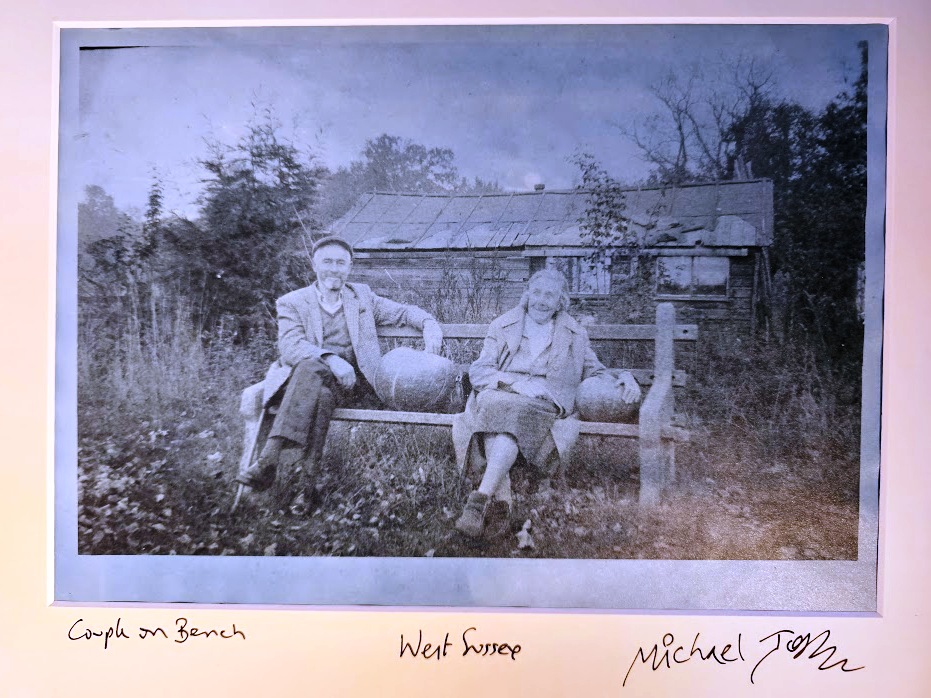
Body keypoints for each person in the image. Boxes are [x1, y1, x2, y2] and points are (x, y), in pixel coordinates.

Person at [236, 235, 443, 505]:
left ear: (349, 267)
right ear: (314, 265)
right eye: (327, 262)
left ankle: (268, 460)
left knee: (314, 376)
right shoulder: (293, 302)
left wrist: (429, 324)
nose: (334, 269)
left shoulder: (363, 298)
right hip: (308, 384)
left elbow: (404, 313)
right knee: (316, 384)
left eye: (341, 263)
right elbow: (290, 346)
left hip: (351, 387)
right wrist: (331, 359)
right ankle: (305, 488)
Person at [452, 268, 641, 538]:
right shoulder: (502, 325)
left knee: (512, 415)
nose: (541, 300)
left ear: (560, 301)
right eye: (537, 293)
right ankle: (497, 503)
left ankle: (483, 503)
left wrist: (625, 377)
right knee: (502, 411)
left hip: (543, 399)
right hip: (501, 389)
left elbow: (596, 373)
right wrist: (516, 384)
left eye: (549, 295)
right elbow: (480, 371)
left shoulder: (574, 334)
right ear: (527, 295)